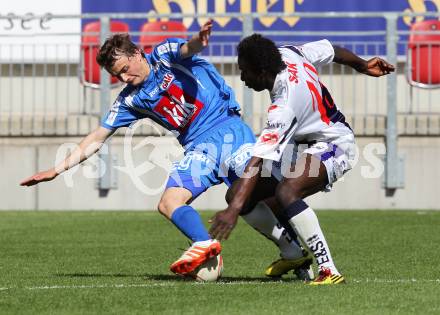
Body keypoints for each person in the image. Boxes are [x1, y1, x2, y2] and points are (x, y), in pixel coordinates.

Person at [20, 21, 312, 279]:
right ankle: (205, 245)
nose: (123, 78)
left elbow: (187, 49)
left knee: (257, 195)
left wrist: (199, 40)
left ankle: (299, 256)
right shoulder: (130, 100)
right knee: (168, 202)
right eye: (116, 76)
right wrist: (57, 169)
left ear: (136, 54)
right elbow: (98, 134)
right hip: (198, 148)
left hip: (228, 131)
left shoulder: (162, 56)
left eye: (124, 70)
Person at [209, 34, 395, 284]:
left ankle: (329, 270)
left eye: (245, 72)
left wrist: (232, 212)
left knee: (286, 191)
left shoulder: (284, 106)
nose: (242, 78)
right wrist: (361, 65)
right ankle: (292, 254)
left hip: (335, 143)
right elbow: (332, 48)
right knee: (239, 195)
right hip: (302, 146)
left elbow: (258, 161)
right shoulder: (288, 53)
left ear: (262, 71)